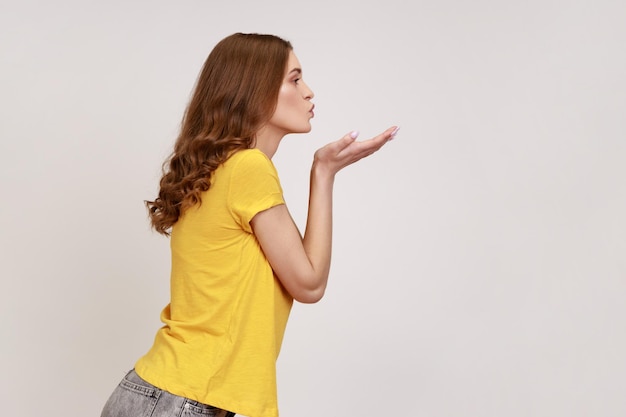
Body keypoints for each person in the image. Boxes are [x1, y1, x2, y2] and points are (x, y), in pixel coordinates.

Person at [100, 32, 398, 417]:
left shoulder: (217, 169)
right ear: (254, 90)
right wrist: (323, 173)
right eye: (294, 79)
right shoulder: (248, 168)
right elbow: (309, 283)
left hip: (157, 394)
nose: (309, 92)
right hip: (181, 399)